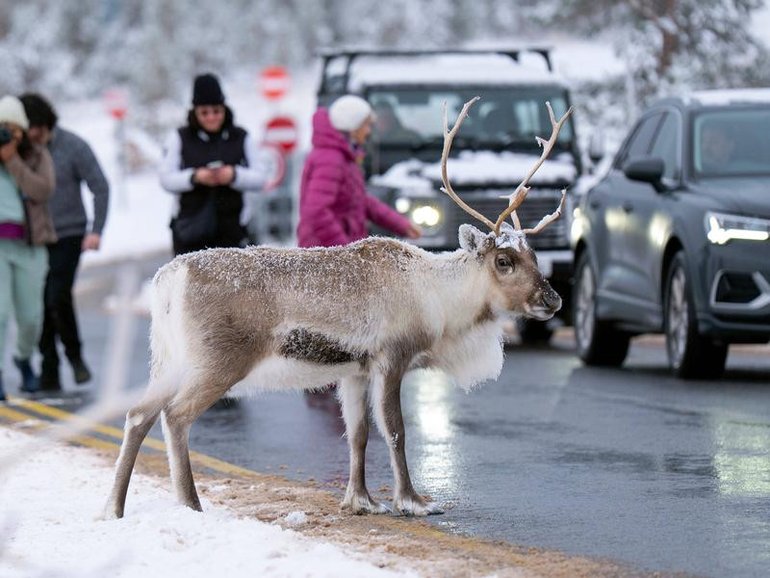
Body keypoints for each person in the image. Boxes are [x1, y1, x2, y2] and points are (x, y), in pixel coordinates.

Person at [20, 93, 109, 392]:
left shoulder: (73, 146)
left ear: (46, 124)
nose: (33, 136)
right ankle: (49, 366)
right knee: (38, 302)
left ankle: (73, 354)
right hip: (32, 236)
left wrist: (96, 229)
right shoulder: (18, 153)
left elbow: (100, 185)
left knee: (56, 295)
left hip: (69, 234)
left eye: (37, 129)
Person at [159, 73, 269, 256]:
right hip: (190, 233)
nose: (211, 118)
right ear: (195, 112)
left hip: (233, 232)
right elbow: (165, 178)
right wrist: (195, 177)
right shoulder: (179, 138)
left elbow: (261, 177)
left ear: (224, 109)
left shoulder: (241, 137)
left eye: (216, 111)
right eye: (204, 112)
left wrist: (234, 175)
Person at [297, 94, 421, 248]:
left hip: (333, 254)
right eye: (366, 125)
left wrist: (401, 224)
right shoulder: (331, 159)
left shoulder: (344, 156)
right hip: (324, 258)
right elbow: (316, 211)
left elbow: (359, 200)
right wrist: (343, 250)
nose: (369, 131)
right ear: (352, 126)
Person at [0, 95, 56, 401]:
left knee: (31, 317)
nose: (7, 133)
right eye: (1, 127)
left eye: (13, 128)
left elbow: (43, 190)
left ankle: (22, 358)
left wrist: (12, 160)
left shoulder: (36, 154)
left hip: (30, 245)